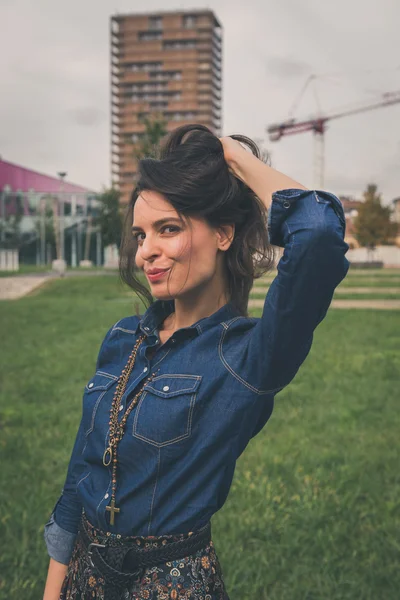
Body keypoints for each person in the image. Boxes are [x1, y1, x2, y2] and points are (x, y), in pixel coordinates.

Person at [43, 124, 349, 599]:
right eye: (141, 234)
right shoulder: (123, 338)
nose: (147, 251)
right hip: (84, 576)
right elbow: (79, 480)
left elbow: (318, 236)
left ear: (223, 234)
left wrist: (233, 158)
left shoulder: (247, 357)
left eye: (169, 228)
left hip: (172, 586)